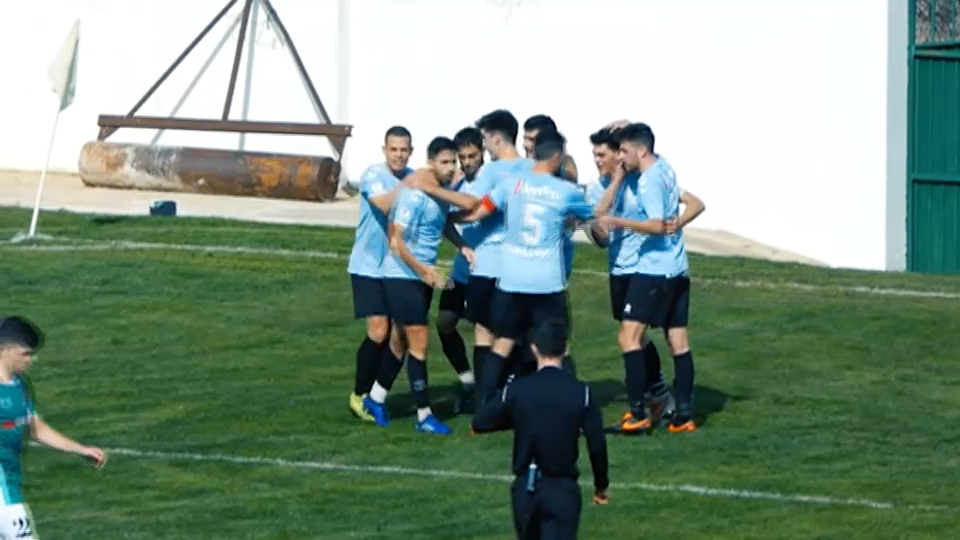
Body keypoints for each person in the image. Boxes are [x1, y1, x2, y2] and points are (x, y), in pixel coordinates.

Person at [461, 129, 593, 404]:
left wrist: (448, 215)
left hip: (512, 280)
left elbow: (480, 210)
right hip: (546, 282)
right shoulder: (566, 192)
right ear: (557, 158)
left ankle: (484, 405)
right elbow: (593, 217)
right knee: (560, 345)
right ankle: (568, 403)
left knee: (503, 341)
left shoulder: (513, 183)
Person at [362, 136, 479, 434]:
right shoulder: (414, 195)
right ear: (430, 162)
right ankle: (424, 415)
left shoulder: (438, 190)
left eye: (453, 162)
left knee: (399, 341)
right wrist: (424, 272)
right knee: (420, 344)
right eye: (445, 162)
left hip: (420, 275)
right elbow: (396, 241)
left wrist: (462, 245)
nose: (451, 167)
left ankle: (375, 398)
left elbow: (444, 220)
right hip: (402, 275)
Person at [597, 123, 701, 434]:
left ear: (641, 151)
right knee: (678, 342)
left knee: (628, 338)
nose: (622, 157)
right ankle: (684, 415)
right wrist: (678, 223)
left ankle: (638, 413)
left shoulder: (648, 180)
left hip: (654, 270)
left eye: (625, 151)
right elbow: (692, 207)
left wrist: (619, 221)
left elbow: (656, 224)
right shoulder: (665, 167)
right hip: (677, 268)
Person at [471, 319, 609, 540]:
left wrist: (516, 417)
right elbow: (597, 444)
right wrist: (601, 485)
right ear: (565, 349)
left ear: (534, 348)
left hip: (526, 487)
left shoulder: (518, 389)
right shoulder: (580, 392)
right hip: (563, 489)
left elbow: (481, 421)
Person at [0, 316, 107, 540]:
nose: (31, 360)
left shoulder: (20, 385)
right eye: (25, 354)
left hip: (11, 482)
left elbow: (37, 429)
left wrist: (79, 449)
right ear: (5, 350)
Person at [462, 110, 533, 404]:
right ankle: (510, 392)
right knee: (513, 331)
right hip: (520, 264)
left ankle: (485, 395)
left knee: (484, 331)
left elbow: (472, 206)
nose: (485, 148)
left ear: (495, 137)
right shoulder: (532, 168)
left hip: (487, 262)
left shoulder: (491, 173)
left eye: (485, 140)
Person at [436, 127, 486, 414]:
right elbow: (443, 221)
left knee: (489, 331)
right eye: (462, 157)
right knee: (445, 323)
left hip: (487, 272)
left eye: (472, 156)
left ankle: (489, 388)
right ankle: (468, 381)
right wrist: (461, 244)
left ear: (482, 153)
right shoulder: (455, 187)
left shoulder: (491, 180)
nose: (467, 162)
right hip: (460, 273)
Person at [522, 115, 578, 182]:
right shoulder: (519, 168)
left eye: (532, 140)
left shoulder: (565, 167)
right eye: (525, 138)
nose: (525, 144)